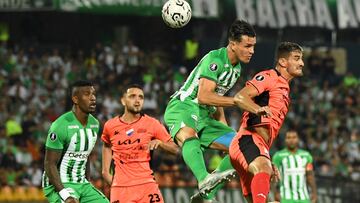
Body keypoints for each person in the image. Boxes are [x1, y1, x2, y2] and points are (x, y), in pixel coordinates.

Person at [164, 19, 256, 201]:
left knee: (241, 147)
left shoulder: (236, 68)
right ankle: (203, 179)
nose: (252, 51)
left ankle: (207, 194)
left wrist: (225, 128)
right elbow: (204, 96)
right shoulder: (215, 59)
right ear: (233, 44)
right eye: (247, 46)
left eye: (253, 46)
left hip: (205, 115)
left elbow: (216, 100)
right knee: (190, 136)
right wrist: (237, 101)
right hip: (184, 105)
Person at [229, 42, 305, 203]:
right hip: (248, 139)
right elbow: (240, 97)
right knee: (264, 170)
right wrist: (257, 109)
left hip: (257, 145)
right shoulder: (270, 77)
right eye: (297, 58)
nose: (301, 63)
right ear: (283, 62)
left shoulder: (284, 88)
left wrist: (267, 159)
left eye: (301, 59)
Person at [101, 84, 178, 203]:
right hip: (121, 188)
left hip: (146, 185)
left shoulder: (152, 123)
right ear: (123, 101)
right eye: (132, 96)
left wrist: (160, 143)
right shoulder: (110, 126)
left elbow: (175, 149)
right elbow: (106, 145)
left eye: (141, 97)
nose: (137, 101)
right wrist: (105, 171)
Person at [42, 80, 109, 203]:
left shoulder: (94, 124)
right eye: (87, 94)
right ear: (75, 99)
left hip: (81, 183)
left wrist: (87, 183)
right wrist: (65, 195)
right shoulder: (60, 125)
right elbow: (49, 164)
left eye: (93, 94)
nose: (93, 98)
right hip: (58, 184)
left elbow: (86, 155)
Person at [273, 130, 317, 203]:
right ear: (285, 140)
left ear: (298, 139)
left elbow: (310, 176)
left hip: (304, 198)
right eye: (288, 137)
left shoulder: (306, 155)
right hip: (285, 198)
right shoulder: (278, 156)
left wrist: (314, 193)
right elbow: (274, 177)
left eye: (294, 137)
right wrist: (275, 192)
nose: (291, 140)